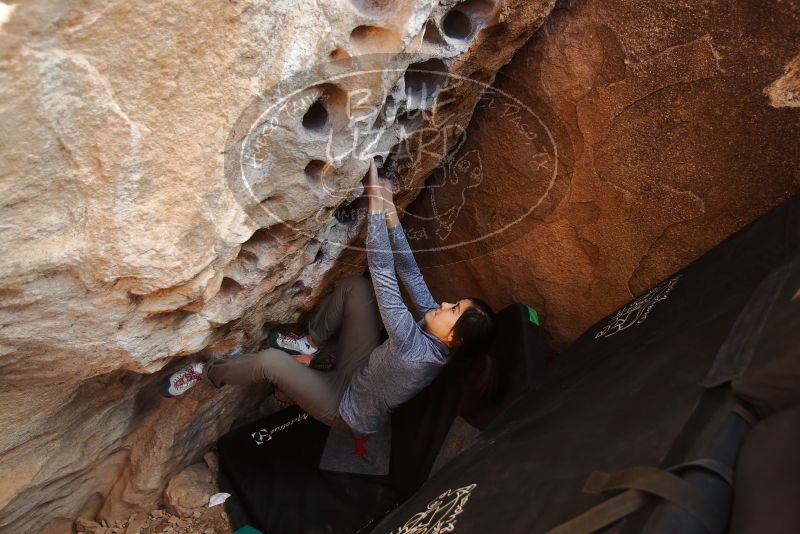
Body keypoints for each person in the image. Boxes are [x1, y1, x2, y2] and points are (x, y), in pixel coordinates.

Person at [165, 157, 495, 435]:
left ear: (454, 338)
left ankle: (209, 374)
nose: (443, 304)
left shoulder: (415, 352)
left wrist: (374, 203)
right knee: (355, 288)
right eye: (453, 303)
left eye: (453, 309)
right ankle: (309, 343)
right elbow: (409, 272)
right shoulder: (436, 330)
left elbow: (384, 271)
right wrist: (390, 208)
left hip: (345, 408)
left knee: (270, 361)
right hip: (363, 370)